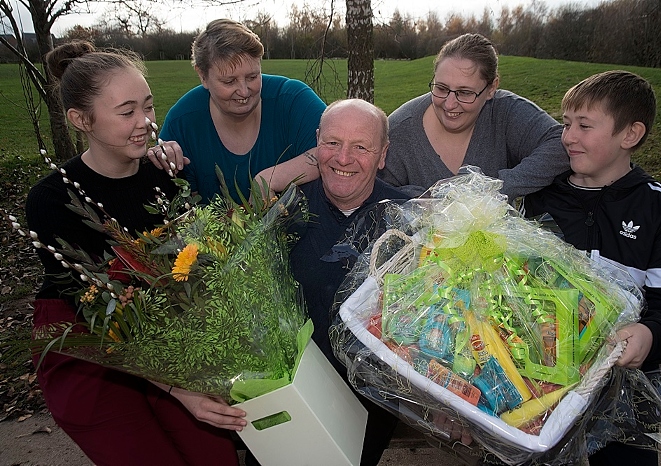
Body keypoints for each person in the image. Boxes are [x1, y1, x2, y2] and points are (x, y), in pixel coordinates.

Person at [25, 40, 246, 466]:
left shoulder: (165, 178)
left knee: (214, 456)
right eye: (127, 112)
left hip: (163, 333)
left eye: (148, 106)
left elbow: (193, 269)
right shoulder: (52, 200)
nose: (145, 122)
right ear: (80, 119)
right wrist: (181, 389)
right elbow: (98, 313)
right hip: (87, 347)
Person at [522, 70, 661, 465]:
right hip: (537, 380)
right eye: (566, 124)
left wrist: (648, 335)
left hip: (625, 388)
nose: (568, 136)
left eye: (584, 126)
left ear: (630, 135)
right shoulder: (539, 200)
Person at [290, 99, 410, 466]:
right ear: (316, 143)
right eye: (332, 143)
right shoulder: (287, 213)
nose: (343, 158)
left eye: (361, 146)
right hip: (296, 390)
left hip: (371, 402)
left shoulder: (408, 222)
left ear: (382, 155)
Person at [379, 33, 570, 201]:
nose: (449, 103)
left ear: (491, 88)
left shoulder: (506, 112)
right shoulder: (399, 130)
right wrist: (429, 199)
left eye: (465, 92)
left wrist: (493, 189)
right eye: (441, 88)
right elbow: (372, 189)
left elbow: (561, 143)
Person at [156, 19, 326, 203]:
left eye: (252, 76)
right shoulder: (182, 122)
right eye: (229, 81)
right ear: (202, 76)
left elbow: (340, 151)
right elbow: (166, 201)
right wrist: (156, 160)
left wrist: (270, 179)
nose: (244, 91)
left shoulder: (293, 99)